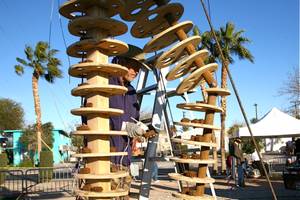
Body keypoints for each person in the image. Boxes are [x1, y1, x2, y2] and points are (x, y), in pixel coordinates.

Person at [109, 44, 151, 168]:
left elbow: (134, 118)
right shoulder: (105, 85)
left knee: (124, 187)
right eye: (133, 67)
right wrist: (127, 127)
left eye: (138, 68)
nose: (136, 72)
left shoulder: (132, 92)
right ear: (121, 62)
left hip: (125, 159)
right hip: (105, 158)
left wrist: (141, 132)